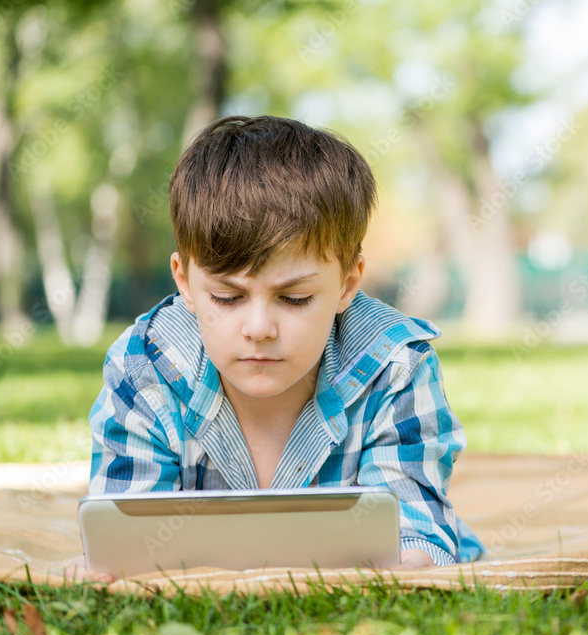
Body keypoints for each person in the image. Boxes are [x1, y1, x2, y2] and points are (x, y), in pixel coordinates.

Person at [66, 115, 484, 582]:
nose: (259, 328)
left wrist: (417, 555)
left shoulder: (394, 365)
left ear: (348, 283)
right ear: (183, 280)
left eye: (294, 298)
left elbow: (411, 531)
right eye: (227, 297)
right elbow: (126, 541)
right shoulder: (146, 367)